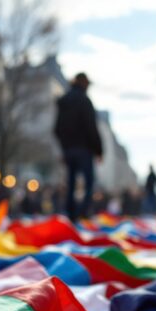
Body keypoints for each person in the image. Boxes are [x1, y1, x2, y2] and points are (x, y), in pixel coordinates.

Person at [54, 72, 103, 222]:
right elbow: (91, 127)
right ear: (85, 84)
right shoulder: (84, 101)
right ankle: (83, 212)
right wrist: (98, 150)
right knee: (88, 181)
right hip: (84, 149)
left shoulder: (64, 102)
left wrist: (64, 148)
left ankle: (71, 213)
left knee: (71, 182)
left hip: (69, 149)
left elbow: (57, 128)